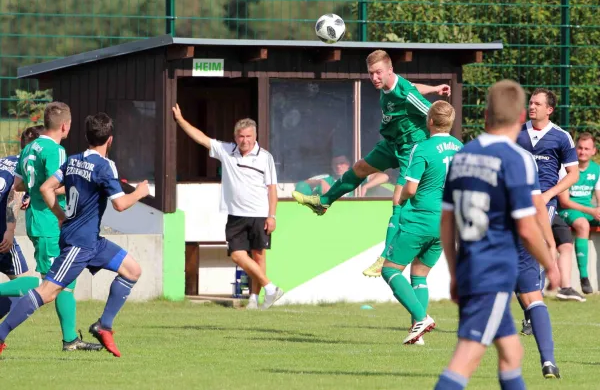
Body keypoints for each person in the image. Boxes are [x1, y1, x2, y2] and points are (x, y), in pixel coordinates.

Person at [434, 80, 560, 390]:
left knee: (512, 352)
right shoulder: (517, 160)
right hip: (494, 273)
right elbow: (528, 228)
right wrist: (552, 264)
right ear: (521, 118)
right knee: (466, 358)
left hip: (471, 268)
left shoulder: (463, 156)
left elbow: (447, 220)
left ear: (487, 113)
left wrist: (453, 272)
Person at [290, 50, 451, 278]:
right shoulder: (392, 85)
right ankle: (323, 202)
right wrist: (434, 88)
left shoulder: (405, 92)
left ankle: (386, 256)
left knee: (398, 199)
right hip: (392, 143)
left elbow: (430, 112)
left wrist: (433, 144)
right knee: (359, 168)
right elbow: (411, 87)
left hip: (411, 147)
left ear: (389, 70)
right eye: (371, 74)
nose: (374, 78)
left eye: (378, 73)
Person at [0, 113, 149, 358]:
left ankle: (103, 325)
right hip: (79, 244)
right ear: (110, 140)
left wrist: (60, 213)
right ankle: (1, 334)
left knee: (132, 270)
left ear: (86, 136)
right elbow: (120, 205)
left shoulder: (74, 160)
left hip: (93, 241)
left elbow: (48, 187)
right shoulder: (104, 166)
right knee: (46, 291)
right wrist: (141, 192)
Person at [0, 104, 101, 352]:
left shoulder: (29, 148)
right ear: (65, 126)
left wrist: (35, 192)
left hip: (38, 218)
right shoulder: (56, 150)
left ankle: (70, 340)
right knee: (49, 284)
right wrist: (86, 183)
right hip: (50, 220)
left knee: (65, 281)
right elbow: (53, 186)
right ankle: (70, 341)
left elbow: (20, 183)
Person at [172, 104, 284, 310]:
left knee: (258, 256)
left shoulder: (265, 157)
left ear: (255, 136)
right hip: (235, 215)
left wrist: (272, 216)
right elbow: (201, 138)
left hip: (259, 214)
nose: (245, 140)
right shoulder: (226, 151)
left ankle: (254, 298)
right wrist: (180, 120)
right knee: (237, 254)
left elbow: (272, 190)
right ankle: (270, 287)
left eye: (249, 136)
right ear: (235, 137)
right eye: (241, 136)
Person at [381, 101, 462, 345]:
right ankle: (417, 334)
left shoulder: (423, 148)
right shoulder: (461, 147)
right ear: (451, 121)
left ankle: (420, 317)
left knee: (390, 270)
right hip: (447, 222)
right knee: (419, 274)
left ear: (429, 121)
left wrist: (401, 197)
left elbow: (411, 188)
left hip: (421, 218)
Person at [515, 88, 578, 370]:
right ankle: (531, 309)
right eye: (530, 102)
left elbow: (573, 173)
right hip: (515, 202)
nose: (532, 107)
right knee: (517, 260)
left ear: (549, 109)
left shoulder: (561, 137)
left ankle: (533, 304)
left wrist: (549, 193)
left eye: (537, 104)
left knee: (530, 250)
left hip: (544, 203)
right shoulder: (517, 132)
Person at [0, 126, 44, 319]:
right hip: (2, 235)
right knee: (27, 286)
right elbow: (15, 193)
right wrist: (10, 231)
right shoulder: (27, 167)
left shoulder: (4, 161)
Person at [557, 132, 600, 294]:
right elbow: (564, 201)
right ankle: (584, 278)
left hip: (587, 210)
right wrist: (592, 210)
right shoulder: (566, 168)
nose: (583, 152)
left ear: (593, 151)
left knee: (586, 220)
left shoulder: (597, 170)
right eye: (580, 148)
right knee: (582, 224)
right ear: (575, 149)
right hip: (568, 211)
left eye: (587, 149)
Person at [551, 214, 585, 302]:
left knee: (566, 246)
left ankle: (566, 288)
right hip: (536, 211)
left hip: (553, 213)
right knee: (549, 245)